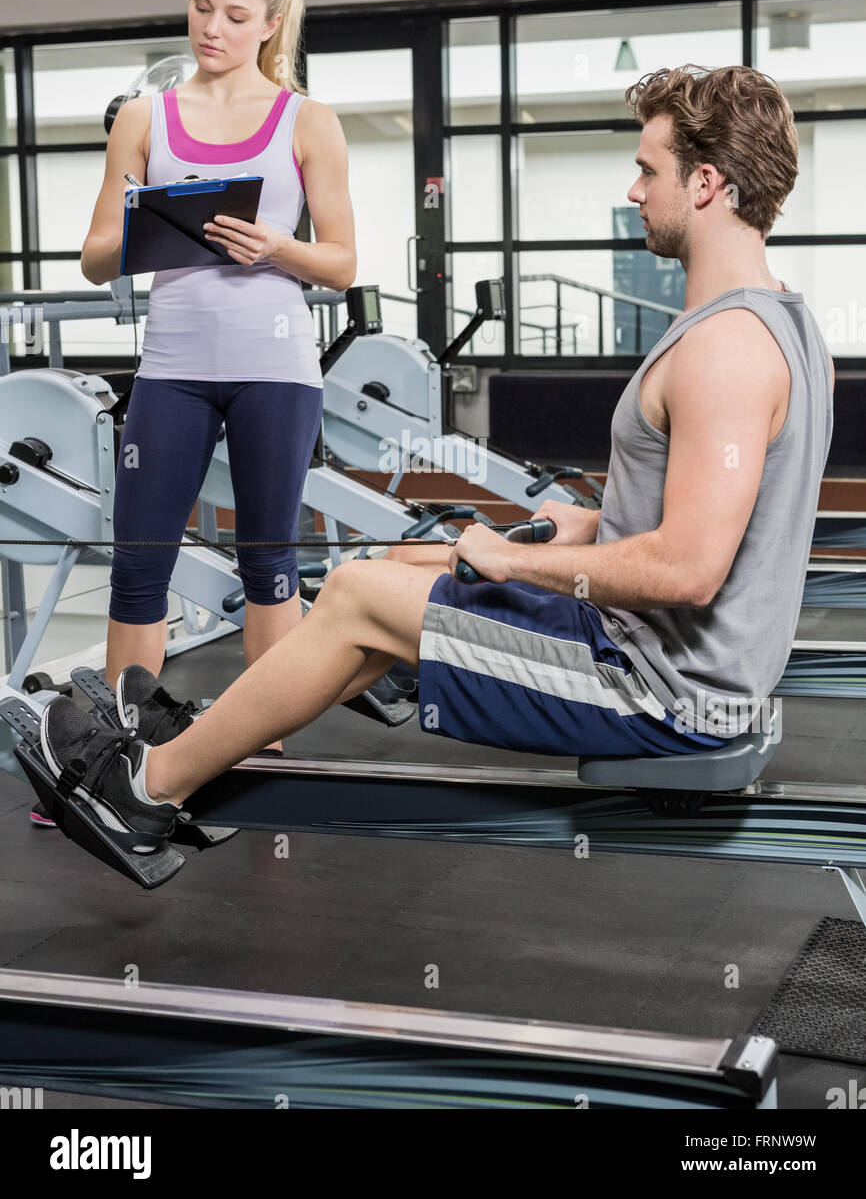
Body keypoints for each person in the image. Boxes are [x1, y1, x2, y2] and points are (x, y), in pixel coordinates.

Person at [36, 63, 834, 864]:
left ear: (705, 184)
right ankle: (212, 737)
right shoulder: (781, 320)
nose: (634, 191)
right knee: (398, 560)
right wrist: (583, 527)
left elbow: (690, 570)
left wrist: (507, 562)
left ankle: (144, 790)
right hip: (651, 648)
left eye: (647, 169)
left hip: (657, 690)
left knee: (356, 595)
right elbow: (700, 514)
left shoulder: (724, 351)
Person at [80, 0, 354, 745]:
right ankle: (110, 756)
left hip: (275, 367)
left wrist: (277, 246)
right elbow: (95, 259)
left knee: (269, 569)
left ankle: (259, 750)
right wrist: (153, 226)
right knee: (137, 571)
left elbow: (341, 262)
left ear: (270, 23)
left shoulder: (309, 122)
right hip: (173, 367)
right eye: (202, 7)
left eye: (236, 16)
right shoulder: (144, 118)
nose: (212, 28)